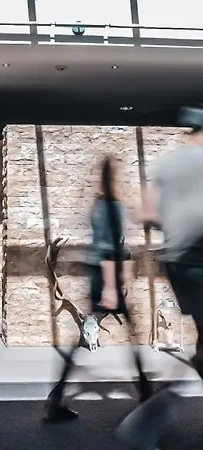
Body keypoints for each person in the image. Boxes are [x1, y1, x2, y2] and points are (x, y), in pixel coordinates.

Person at [116, 106, 203, 449]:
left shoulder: (169, 164)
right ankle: (151, 416)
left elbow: (144, 212)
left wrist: (174, 220)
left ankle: (149, 418)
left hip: (180, 264)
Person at [45, 154, 152, 421]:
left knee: (123, 332)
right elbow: (108, 248)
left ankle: (56, 399)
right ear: (113, 178)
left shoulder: (99, 206)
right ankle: (146, 395)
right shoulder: (111, 208)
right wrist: (111, 288)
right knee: (130, 332)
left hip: (101, 273)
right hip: (106, 276)